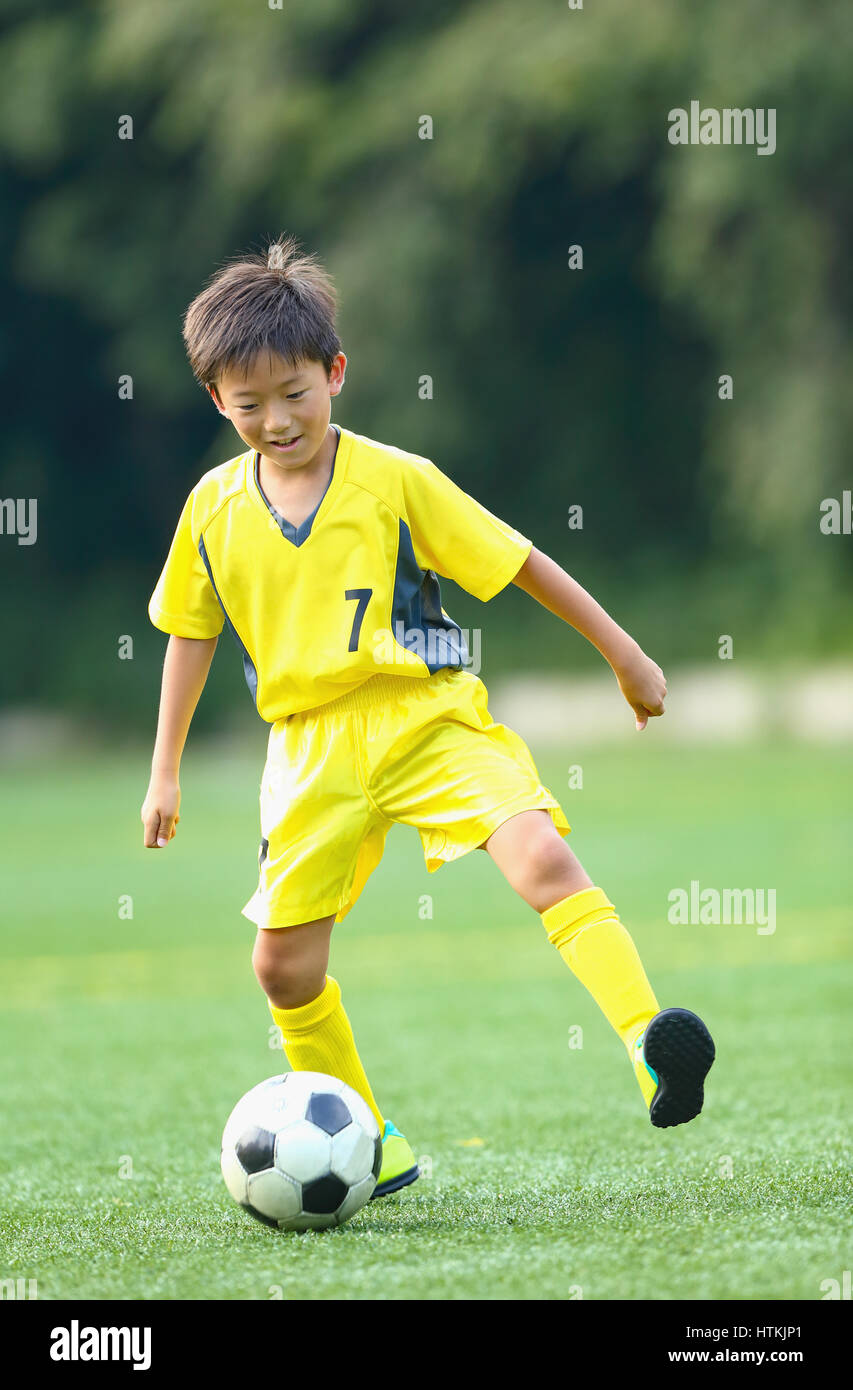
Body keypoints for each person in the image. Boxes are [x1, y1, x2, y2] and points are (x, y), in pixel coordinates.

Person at [141, 235, 715, 1203]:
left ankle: (647, 1048)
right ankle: (376, 1138)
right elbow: (187, 634)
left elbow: (520, 559)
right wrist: (164, 771)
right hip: (308, 750)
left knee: (541, 858)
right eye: (250, 405)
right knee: (282, 968)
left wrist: (625, 653)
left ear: (336, 373)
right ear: (216, 400)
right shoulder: (209, 508)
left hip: (428, 715)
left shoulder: (395, 479)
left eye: (295, 393)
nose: (277, 420)